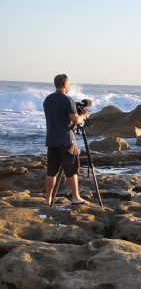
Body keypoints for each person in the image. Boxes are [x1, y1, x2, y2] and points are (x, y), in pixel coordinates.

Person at [43, 74, 90, 206]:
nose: (69, 87)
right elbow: (76, 120)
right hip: (66, 141)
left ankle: (48, 199)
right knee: (71, 170)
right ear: (64, 84)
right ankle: (75, 197)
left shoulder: (47, 99)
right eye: (68, 84)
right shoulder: (67, 100)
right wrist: (83, 115)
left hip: (51, 140)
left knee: (51, 171)